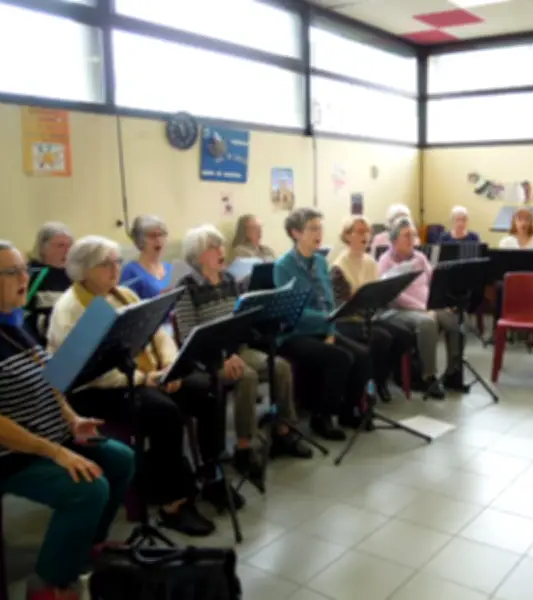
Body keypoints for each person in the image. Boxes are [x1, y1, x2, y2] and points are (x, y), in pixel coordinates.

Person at [47, 236, 219, 536]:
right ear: (83, 270)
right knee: (164, 413)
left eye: (116, 262)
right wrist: (146, 380)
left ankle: (209, 473)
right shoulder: (70, 309)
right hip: (95, 391)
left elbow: (159, 333)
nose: (115, 270)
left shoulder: (123, 294)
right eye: (105, 265)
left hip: (142, 376)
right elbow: (86, 372)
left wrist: (168, 365)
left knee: (204, 387)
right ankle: (172, 504)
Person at [0, 239, 134, 600]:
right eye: (13, 271)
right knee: (88, 487)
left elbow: (51, 379)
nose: (26, 277)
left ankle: (87, 545)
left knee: (120, 459)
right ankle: (46, 583)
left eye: (26, 269)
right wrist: (56, 452)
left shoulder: (14, 323)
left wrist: (71, 419)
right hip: (10, 454)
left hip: (51, 436)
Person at [174, 225, 312, 460]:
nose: (221, 250)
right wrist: (221, 358)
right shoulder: (186, 288)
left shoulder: (229, 279)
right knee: (245, 376)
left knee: (280, 367)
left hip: (237, 349)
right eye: (213, 247)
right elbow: (188, 336)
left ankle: (283, 431)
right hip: (208, 358)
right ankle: (243, 447)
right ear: (198, 256)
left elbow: (240, 320)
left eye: (220, 245)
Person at [273, 208, 372, 440]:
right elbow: (292, 311)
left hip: (323, 328)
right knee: (340, 358)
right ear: (295, 233)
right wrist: (327, 321)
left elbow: (328, 301)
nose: (319, 233)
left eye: (320, 228)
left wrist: (330, 328)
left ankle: (348, 411)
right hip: (294, 334)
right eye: (313, 228)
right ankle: (322, 417)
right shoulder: (284, 266)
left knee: (363, 354)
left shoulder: (319, 261)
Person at [330, 216, 414, 403]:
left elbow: (379, 294)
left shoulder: (370, 262)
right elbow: (342, 306)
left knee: (404, 334)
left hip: (369, 316)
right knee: (382, 338)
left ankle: (380, 376)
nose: (365, 235)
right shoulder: (338, 266)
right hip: (347, 321)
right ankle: (376, 383)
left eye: (367, 232)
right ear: (347, 236)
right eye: (360, 232)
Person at [378, 218, 462, 399]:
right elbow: (393, 296)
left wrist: (442, 303)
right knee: (427, 323)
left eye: (413, 235)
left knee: (453, 319)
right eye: (406, 235)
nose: (412, 239)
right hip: (399, 311)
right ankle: (428, 377)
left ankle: (453, 372)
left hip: (425, 306)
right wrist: (422, 308)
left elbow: (433, 283)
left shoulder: (420, 257)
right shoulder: (385, 261)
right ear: (394, 241)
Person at [24, 222, 73, 345]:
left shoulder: (74, 274)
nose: (67, 251)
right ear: (43, 248)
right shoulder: (30, 274)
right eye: (60, 246)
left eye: (70, 245)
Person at [119, 215, 173, 300]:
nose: (158, 240)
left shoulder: (170, 268)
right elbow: (127, 308)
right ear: (140, 241)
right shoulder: (130, 271)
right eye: (152, 236)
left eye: (161, 235)